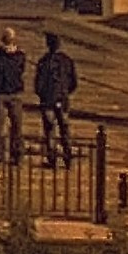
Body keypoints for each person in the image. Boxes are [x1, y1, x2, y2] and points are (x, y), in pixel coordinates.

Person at [34, 32, 77, 168]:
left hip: (48, 99)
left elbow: (38, 83)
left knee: (50, 129)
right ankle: (67, 156)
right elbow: (73, 82)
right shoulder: (67, 61)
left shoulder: (44, 61)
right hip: (62, 98)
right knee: (64, 128)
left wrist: (41, 94)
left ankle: (52, 157)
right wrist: (65, 91)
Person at [0, 28, 27, 164]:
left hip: (13, 92)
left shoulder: (19, 55)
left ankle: (16, 155)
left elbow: (20, 69)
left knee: (16, 126)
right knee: (0, 127)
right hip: (1, 93)